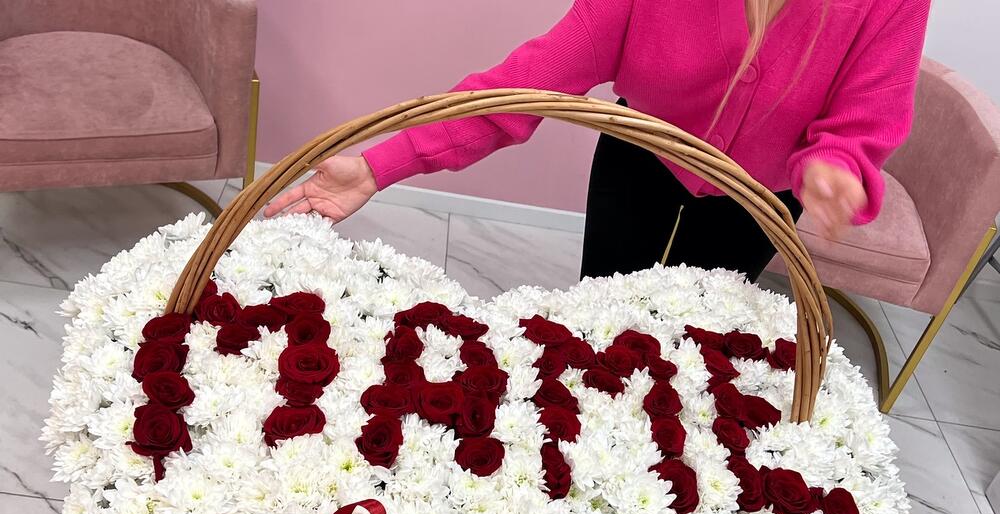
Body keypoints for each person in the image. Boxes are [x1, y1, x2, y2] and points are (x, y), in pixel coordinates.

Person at [264, 0, 931, 283]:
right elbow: (527, 83)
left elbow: (866, 114)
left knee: (702, 347)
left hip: (759, 202)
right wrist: (380, 164)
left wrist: (837, 164)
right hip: (636, 164)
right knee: (603, 322)